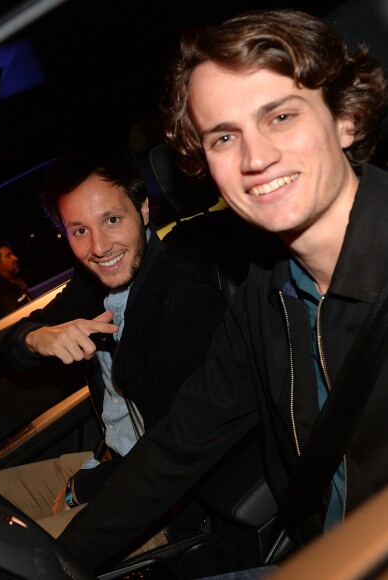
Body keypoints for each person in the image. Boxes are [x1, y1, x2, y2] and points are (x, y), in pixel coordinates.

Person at [57, 8, 388, 573]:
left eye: (281, 116)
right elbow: (179, 443)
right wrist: (59, 562)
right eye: (224, 137)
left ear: (346, 119)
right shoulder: (268, 289)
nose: (255, 159)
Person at [0, 148, 225, 547]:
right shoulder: (92, 283)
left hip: (162, 503)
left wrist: (86, 487)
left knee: (10, 561)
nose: (99, 248)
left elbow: (173, 454)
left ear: (144, 210)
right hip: (107, 460)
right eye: (80, 231)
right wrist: (38, 337)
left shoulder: (186, 300)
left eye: (112, 220)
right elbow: (11, 349)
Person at [0, 242, 33, 321]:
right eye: (8, 255)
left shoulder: (16, 281)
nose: (15, 258)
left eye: (12, 254)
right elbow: (16, 321)